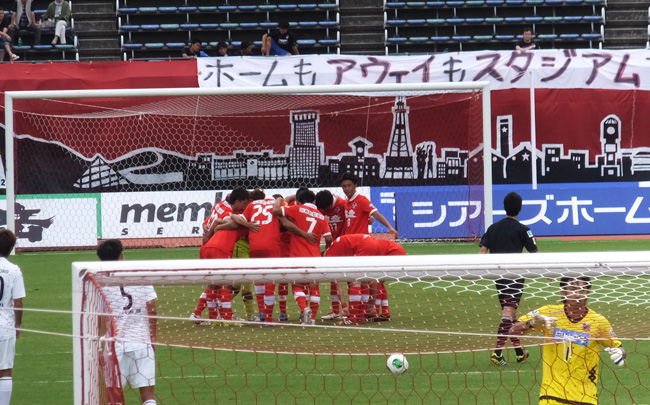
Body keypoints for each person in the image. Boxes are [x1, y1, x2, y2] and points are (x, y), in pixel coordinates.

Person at [510, 277, 626, 405]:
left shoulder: (598, 321)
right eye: (573, 289)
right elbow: (512, 331)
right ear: (563, 291)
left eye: (582, 289)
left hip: (585, 397)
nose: (577, 293)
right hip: (551, 396)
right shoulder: (548, 313)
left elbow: (618, 346)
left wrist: (620, 353)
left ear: (588, 291)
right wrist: (530, 323)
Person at [479, 191, 538, 366]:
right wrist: (547, 273)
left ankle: (519, 352)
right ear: (520, 208)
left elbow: (482, 251)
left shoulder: (492, 228)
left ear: (504, 207)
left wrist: (474, 273)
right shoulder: (524, 230)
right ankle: (497, 352)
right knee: (508, 312)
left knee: (511, 314)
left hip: (499, 277)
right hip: (515, 277)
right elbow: (535, 254)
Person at [97, 239, 157, 405]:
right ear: (121, 255)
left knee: (113, 395)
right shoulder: (139, 275)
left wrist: (98, 347)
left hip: (114, 345)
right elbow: (152, 308)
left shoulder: (98, 282)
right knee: (148, 394)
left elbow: (98, 319)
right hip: (141, 341)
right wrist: (153, 338)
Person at [340, 172, 398, 319]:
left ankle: (364, 310)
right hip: (350, 245)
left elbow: (376, 213)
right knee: (354, 279)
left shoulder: (362, 200)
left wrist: (389, 227)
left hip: (362, 245)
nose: (346, 188)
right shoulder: (346, 203)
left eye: (349, 185)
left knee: (364, 279)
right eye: (344, 186)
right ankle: (363, 310)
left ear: (355, 186)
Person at [273, 189, 332, 325]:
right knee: (314, 286)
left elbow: (276, 211)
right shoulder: (322, 217)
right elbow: (329, 238)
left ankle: (304, 308)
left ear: (298, 201)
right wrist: (324, 252)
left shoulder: (297, 209)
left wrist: (280, 199)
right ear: (314, 201)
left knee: (297, 284)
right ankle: (312, 319)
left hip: (298, 255)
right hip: (315, 255)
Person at [0, 230, 25, 405]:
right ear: (11, 248)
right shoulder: (14, 270)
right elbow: (18, 302)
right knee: (5, 371)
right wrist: (18, 324)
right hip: (5, 326)